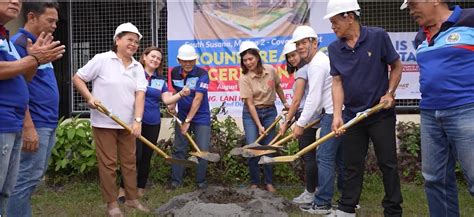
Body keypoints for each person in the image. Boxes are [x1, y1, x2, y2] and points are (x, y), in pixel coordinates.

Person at [324, 0, 404, 216]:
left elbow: (396, 66)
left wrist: (390, 93)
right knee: (351, 165)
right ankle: (347, 208)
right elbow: (337, 83)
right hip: (353, 116)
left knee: (388, 163)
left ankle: (393, 209)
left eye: (334, 22)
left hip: (380, 114)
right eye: (331, 23)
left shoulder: (378, 37)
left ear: (349, 17)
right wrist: (337, 115)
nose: (332, 27)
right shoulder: (334, 48)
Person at [401, 1, 474, 216]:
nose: (412, 11)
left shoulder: (470, 19)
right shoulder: (420, 37)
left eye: (414, 4)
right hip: (430, 114)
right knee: (434, 179)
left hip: (467, 109)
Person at [73, 22, 150, 216]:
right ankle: (112, 204)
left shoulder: (137, 67)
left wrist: (138, 121)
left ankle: (131, 199)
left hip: (128, 124)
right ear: (117, 40)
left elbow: (140, 95)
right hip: (104, 122)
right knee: (108, 165)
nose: (133, 44)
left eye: (136, 41)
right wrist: (89, 97)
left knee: (130, 162)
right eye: (129, 40)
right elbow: (78, 78)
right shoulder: (102, 59)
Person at [0, 0, 65, 214]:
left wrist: (36, 59)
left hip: (41, 121)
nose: (54, 25)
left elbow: (23, 81)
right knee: (23, 181)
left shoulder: (24, 41)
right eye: (50, 20)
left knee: (23, 182)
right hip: (27, 122)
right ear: (31, 17)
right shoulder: (20, 42)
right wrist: (28, 126)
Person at [117, 46, 189, 202]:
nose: (155, 60)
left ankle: (140, 189)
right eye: (153, 56)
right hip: (135, 122)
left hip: (153, 122)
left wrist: (180, 94)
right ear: (144, 57)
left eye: (158, 58)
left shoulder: (160, 80)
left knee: (146, 157)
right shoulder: (134, 73)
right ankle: (123, 190)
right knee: (134, 156)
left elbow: (167, 100)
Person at [284, 25, 343, 214]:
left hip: (332, 114)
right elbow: (317, 100)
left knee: (324, 158)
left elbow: (314, 98)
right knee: (334, 158)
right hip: (329, 112)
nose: (300, 47)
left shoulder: (317, 64)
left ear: (314, 43)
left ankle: (322, 203)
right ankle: (336, 199)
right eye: (298, 44)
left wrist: (300, 124)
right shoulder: (315, 63)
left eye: (304, 43)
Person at [238, 41, 289, 193]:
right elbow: (250, 104)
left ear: (257, 57)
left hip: (270, 112)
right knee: (253, 147)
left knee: (269, 148)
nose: (248, 63)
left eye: (250, 59)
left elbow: (278, 87)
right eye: (245, 60)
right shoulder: (244, 78)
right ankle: (255, 182)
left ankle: (269, 182)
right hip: (251, 114)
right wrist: (259, 125)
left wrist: (285, 103)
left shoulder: (270, 70)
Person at [278, 41, 318, 204]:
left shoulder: (302, 71)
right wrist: (291, 115)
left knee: (307, 155)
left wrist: (286, 122)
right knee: (312, 155)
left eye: (293, 55)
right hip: (310, 114)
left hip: (307, 117)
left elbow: (297, 101)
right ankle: (316, 188)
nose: (292, 59)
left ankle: (310, 192)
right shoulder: (307, 68)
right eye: (288, 57)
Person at [167, 44, 211, 191]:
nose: (188, 64)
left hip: (201, 117)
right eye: (184, 61)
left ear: (195, 60)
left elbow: (198, 99)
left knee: (202, 149)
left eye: (191, 60)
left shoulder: (203, 74)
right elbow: (176, 90)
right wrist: (173, 104)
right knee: (179, 148)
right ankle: (176, 181)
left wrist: (187, 121)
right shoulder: (174, 72)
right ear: (179, 60)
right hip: (182, 115)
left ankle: (201, 182)